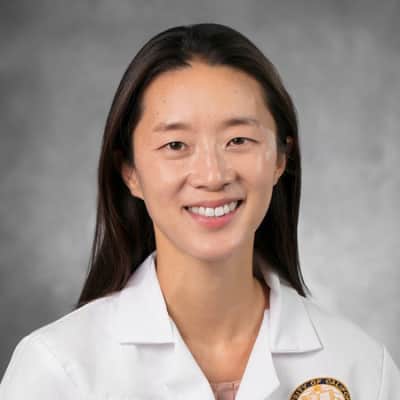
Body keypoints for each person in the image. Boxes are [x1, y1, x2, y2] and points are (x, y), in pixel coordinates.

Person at [0, 23, 399, 400]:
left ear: (281, 158)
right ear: (130, 172)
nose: (212, 175)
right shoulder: (58, 370)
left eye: (238, 140)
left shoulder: (363, 368)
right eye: (176, 145)